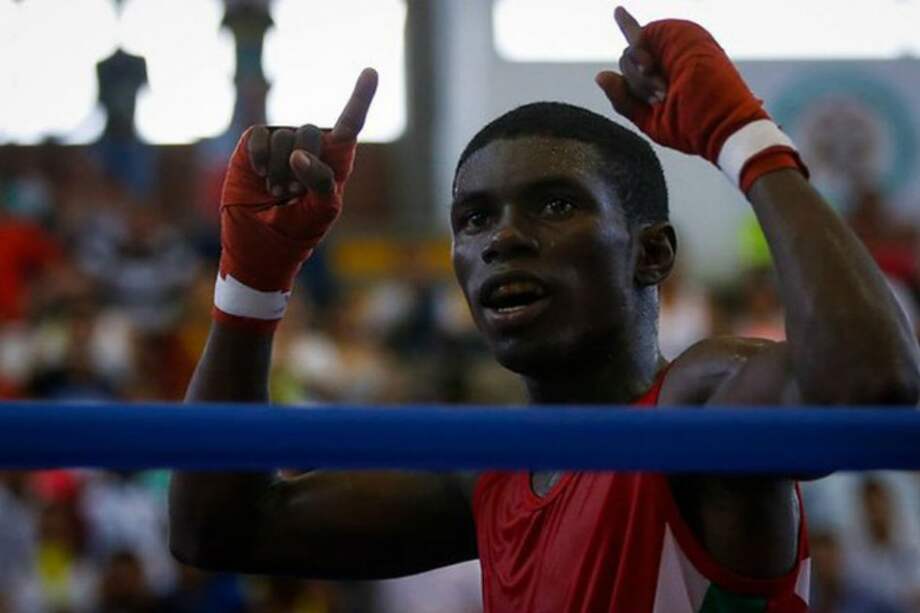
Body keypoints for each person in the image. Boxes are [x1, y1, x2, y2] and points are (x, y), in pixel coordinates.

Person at [168, 7, 920, 612]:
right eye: (474, 218)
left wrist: (747, 142)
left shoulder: (696, 412)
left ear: (652, 253)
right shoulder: (490, 481)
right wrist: (251, 288)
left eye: (555, 204)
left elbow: (868, 386)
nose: (504, 240)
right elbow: (217, 528)